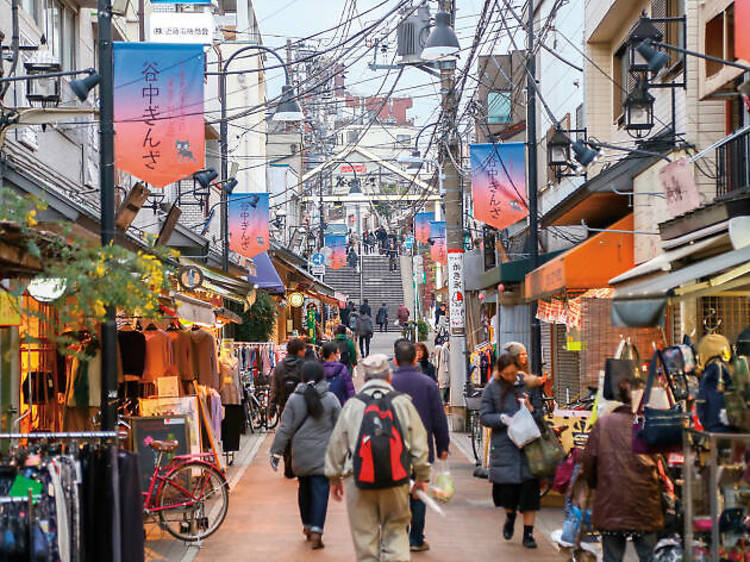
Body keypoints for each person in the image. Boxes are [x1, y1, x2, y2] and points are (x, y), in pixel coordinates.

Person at [325, 354, 431, 562]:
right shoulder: (403, 403)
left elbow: (337, 444)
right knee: (396, 531)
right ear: (389, 377)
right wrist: (421, 477)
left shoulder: (353, 405)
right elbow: (419, 444)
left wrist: (334, 477)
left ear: (364, 379)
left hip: (359, 478)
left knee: (365, 539)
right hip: (397, 477)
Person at [582, 376, 663, 561]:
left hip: (611, 499)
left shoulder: (604, 424)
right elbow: (660, 462)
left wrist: (596, 485)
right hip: (644, 501)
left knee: (612, 555)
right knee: (649, 555)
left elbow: (589, 461)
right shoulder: (649, 423)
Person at [270, 361, 341, 549]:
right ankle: (317, 528)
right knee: (320, 489)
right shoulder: (331, 398)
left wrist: (276, 452)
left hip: (300, 454)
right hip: (323, 453)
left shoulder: (294, 399)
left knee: (304, 488)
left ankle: (307, 525)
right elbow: (340, 428)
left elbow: (284, 428)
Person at [480, 351, 543, 549]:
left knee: (530, 495)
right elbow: (484, 416)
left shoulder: (528, 386)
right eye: (507, 374)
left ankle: (528, 534)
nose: (510, 377)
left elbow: (541, 416)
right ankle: (509, 517)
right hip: (505, 446)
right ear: (500, 372)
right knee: (508, 494)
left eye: (513, 373)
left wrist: (532, 409)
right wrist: (502, 419)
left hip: (529, 448)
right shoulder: (492, 389)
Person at [391, 340, 450, 552]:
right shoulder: (427, 384)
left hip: (393, 448)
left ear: (395, 359)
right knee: (418, 492)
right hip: (421, 448)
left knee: (396, 492)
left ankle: (399, 536)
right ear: (416, 358)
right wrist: (443, 444)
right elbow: (438, 418)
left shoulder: (387, 383)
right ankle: (416, 538)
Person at [270, 337, 307, 478]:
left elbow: (274, 389)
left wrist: (271, 409)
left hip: (284, 405)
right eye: (303, 349)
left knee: (286, 434)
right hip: (302, 406)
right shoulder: (304, 366)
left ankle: (288, 467)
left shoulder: (280, 367)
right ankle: (299, 466)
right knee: (301, 435)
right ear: (299, 351)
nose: (305, 351)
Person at [322, 341, 355, 405]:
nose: (339, 354)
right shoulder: (342, 369)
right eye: (337, 352)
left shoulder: (319, 369)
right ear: (332, 354)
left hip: (323, 407)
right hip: (340, 405)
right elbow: (349, 390)